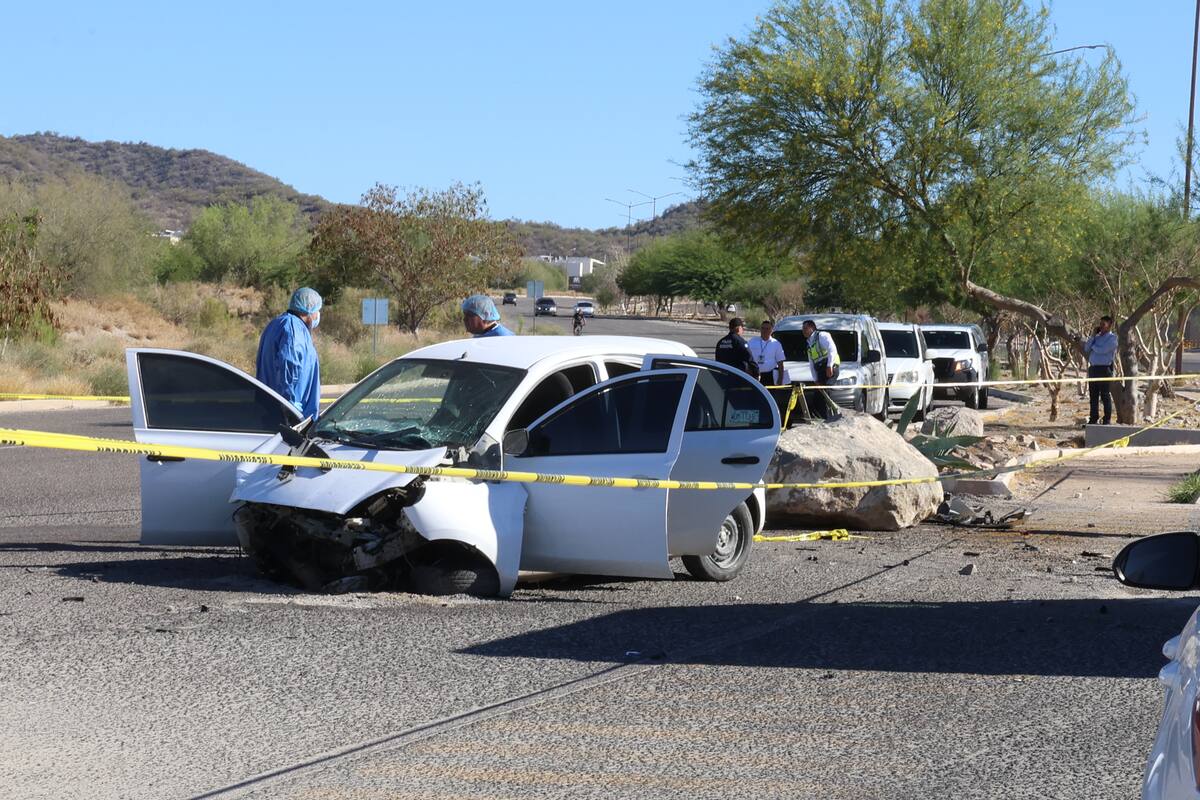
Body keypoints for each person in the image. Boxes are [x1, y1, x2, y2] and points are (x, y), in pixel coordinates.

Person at [256, 287, 322, 421]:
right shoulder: (293, 328)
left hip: (271, 409)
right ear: (309, 310)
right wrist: (290, 409)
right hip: (288, 415)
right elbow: (289, 369)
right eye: (317, 310)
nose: (318, 315)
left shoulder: (277, 324)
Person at [802, 319, 841, 421]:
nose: (803, 331)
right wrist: (815, 379)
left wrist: (829, 365)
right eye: (803, 329)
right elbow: (811, 363)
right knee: (818, 396)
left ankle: (831, 417)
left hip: (830, 367)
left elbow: (832, 349)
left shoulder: (822, 335)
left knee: (825, 393)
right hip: (820, 371)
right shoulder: (809, 344)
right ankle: (823, 418)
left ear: (812, 328)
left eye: (805, 328)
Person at [1083, 315, 1118, 425]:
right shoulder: (1096, 338)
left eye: (1104, 324)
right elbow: (1086, 348)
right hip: (1093, 368)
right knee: (1093, 395)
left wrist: (1093, 347)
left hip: (1104, 369)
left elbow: (1102, 350)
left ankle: (1107, 419)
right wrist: (1093, 336)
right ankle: (1093, 418)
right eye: (1100, 324)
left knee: (1105, 395)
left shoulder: (1113, 339)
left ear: (1109, 325)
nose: (1101, 326)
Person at [748, 319, 787, 387]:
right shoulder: (752, 341)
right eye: (763, 328)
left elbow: (780, 364)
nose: (764, 330)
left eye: (767, 328)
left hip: (770, 377)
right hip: (754, 375)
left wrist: (780, 379)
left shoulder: (776, 344)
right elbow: (747, 358)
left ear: (771, 330)